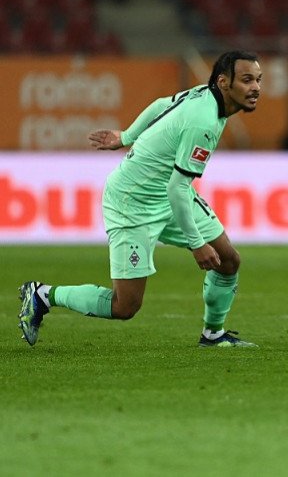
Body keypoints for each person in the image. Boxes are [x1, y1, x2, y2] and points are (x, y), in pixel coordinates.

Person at [17, 51, 262, 348]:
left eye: (258, 80)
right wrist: (197, 243)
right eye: (247, 80)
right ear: (224, 82)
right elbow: (177, 188)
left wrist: (126, 136)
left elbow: (161, 104)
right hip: (132, 203)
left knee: (228, 260)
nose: (256, 88)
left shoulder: (205, 94)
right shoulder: (204, 122)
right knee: (125, 306)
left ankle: (213, 335)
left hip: (167, 193)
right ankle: (43, 295)